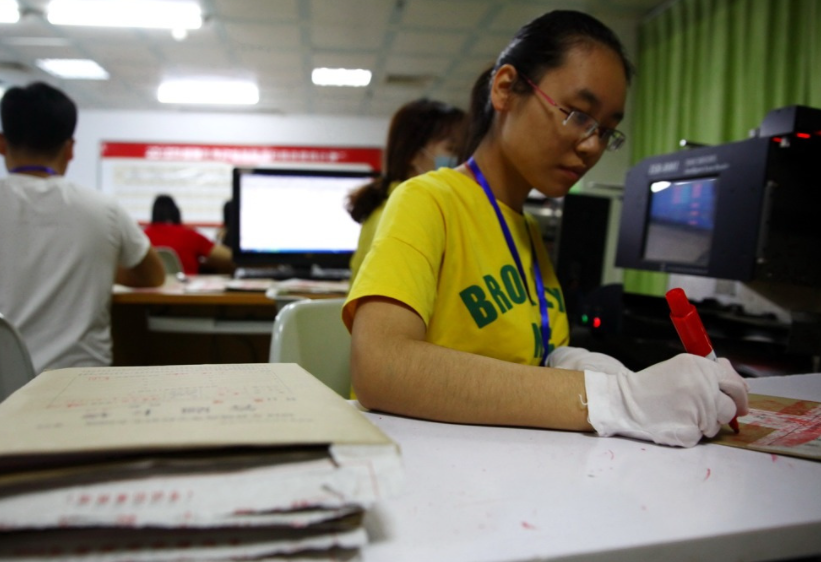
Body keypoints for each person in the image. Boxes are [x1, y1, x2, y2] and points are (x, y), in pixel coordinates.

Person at [342, 10, 749, 448]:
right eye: (578, 114)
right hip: (423, 460)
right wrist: (611, 398)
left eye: (607, 131)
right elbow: (381, 367)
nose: (592, 145)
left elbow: (529, 354)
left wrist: (574, 364)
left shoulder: (528, 231)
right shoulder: (428, 200)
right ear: (505, 89)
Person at [0, 82, 165, 374]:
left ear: (2, 144)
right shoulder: (103, 208)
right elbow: (154, 275)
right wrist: (99, 267)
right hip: (80, 384)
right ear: (70, 149)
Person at [347, 98, 466, 281]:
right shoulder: (406, 211)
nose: (463, 161)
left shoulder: (391, 203)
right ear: (413, 154)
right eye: (452, 149)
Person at [143, 194, 234, 275]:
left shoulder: (143, 237)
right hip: (185, 288)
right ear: (176, 212)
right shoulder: (190, 236)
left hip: (149, 288)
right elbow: (229, 257)